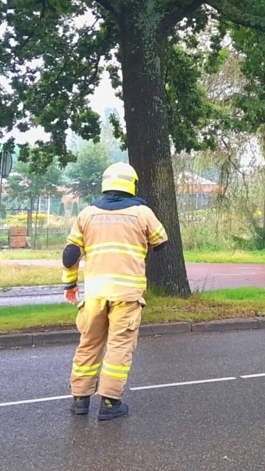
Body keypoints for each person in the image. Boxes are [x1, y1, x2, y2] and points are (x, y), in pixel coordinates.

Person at [63, 162, 168, 421]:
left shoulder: (86, 214)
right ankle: (110, 403)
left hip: (95, 292)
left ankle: (80, 400)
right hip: (126, 294)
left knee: (89, 343)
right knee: (119, 346)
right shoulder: (142, 212)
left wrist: (70, 283)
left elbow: (70, 253)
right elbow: (161, 242)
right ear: (131, 185)